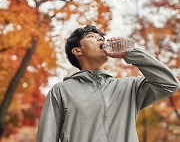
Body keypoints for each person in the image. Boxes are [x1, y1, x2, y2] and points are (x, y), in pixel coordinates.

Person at [36, 25, 179, 142]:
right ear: (77, 50)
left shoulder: (129, 88)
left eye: (101, 38)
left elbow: (169, 83)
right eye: (91, 37)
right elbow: (46, 137)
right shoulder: (61, 91)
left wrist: (130, 53)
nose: (100, 39)